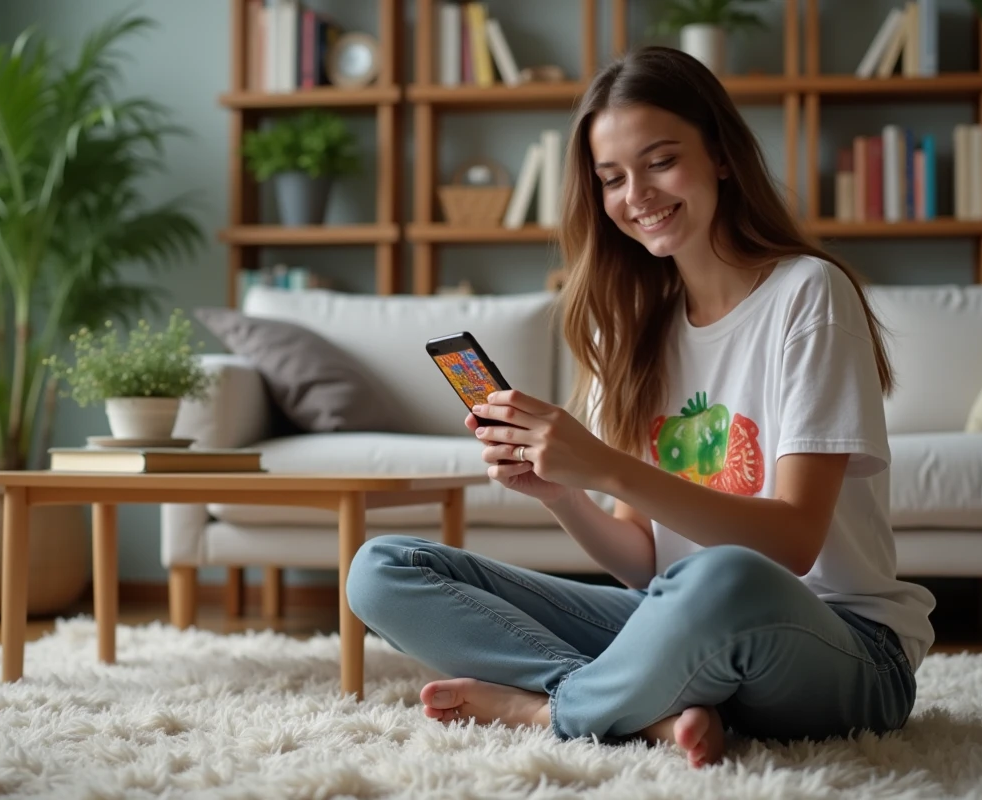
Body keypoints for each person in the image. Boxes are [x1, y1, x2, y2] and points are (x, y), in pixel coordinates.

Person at [346, 45, 936, 768]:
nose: (638, 194)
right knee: (381, 567)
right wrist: (563, 494)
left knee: (721, 574)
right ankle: (646, 709)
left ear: (720, 155)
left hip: (844, 649)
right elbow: (644, 566)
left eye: (661, 161)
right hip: (686, 623)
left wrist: (607, 467)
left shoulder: (807, 295)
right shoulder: (633, 329)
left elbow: (791, 546)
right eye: (612, 178)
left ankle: (552, 708)